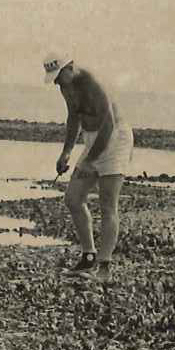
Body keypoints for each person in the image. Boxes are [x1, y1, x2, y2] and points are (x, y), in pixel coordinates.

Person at [43, 55, 134, 279]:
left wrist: (90, 161)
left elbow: (108, 126)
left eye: (59, 77)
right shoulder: (65, 86)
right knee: (73, 199)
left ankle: (104, 268)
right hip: (92, 138)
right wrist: (66, 152)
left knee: (107, 205)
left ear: (70, 67)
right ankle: (88, 257)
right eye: (54, 80)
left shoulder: (93, 84)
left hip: (115, 139)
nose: (58, 83)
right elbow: (73, 118)